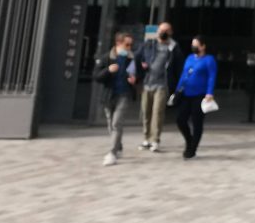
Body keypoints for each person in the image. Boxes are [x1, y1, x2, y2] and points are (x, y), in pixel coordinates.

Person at [134, 21, 184, 153]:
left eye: (166, 31)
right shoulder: (149, 44)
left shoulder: (174, 48)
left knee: (157, 112)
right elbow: (137, 57)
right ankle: (146, 139)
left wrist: (179, 87)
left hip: (162, 85)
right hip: (147, 83)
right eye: (161, 30)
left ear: (171, 32)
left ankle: (155, 140)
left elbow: (179, 68)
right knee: (146, 112)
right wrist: (140, 67)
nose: (163, 33)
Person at [92, 31, 136, 166]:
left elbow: (136, 74)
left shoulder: (131, 59)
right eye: (127, 44)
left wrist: (134, 80)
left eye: (131, 45)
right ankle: (118, 146)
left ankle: (112, 153)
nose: (129, 47)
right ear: (118, 43)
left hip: (124, 94)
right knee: (111, 124)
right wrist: (108, 71)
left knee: (117, 123)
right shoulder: (107, 58)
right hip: (109, 96)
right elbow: (96, 76)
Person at [174, 34, 217, 159]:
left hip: (200, 95)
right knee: (180, 119)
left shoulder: (209, 60)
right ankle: (189, 139)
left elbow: (211, 77)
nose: (193, 47)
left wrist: (210, 92)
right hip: (187, 93)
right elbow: (184, 74)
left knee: (197, 122)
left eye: (196, 45)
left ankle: (192, 148)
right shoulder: (189, 58)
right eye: (193, 45)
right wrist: (178, 90)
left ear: (203, 46)